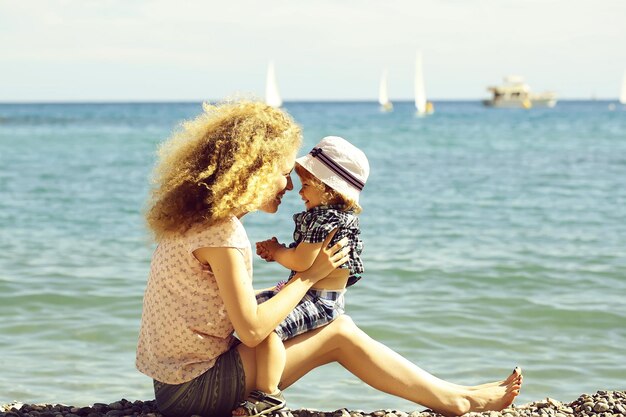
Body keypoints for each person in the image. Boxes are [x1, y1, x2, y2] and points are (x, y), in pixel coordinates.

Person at [136, 100, 523, 417]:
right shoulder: (224, 235)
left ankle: (455, 393)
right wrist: (308, 277)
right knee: (337, 331)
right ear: (254, 172)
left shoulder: (197, 221)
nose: (290, 185)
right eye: (285, 173)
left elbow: (223, 313)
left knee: (311, 318)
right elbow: (252, 331)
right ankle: (457, 401)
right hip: (192, 395)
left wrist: (284, 288)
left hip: (175, 383)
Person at [235, 136, 369, 415]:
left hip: (319, 300)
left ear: (330, 191)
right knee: (255, 305)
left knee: (269, 330)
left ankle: (268, 394)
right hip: (317, 294)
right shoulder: (336, 217)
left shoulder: (325, 219)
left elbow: (303, 261)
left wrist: (277, 251)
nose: (299, 191)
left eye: (307, 184)